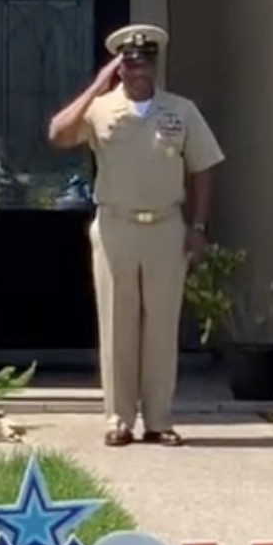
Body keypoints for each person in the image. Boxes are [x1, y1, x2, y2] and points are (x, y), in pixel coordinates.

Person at [48, 23, 224, 447]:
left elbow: (203, 167)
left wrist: (198, 227)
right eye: (129, 62)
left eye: (144, 62)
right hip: (116, 227)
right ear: (118, 67)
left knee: (162, 326)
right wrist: (95, 87)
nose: (137, 70)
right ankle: (118, 419)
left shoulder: (180, 111)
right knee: (117, 322)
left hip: (166, 226)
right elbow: (58, 134)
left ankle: (159, 419)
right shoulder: (101, 109)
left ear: (155, 65)